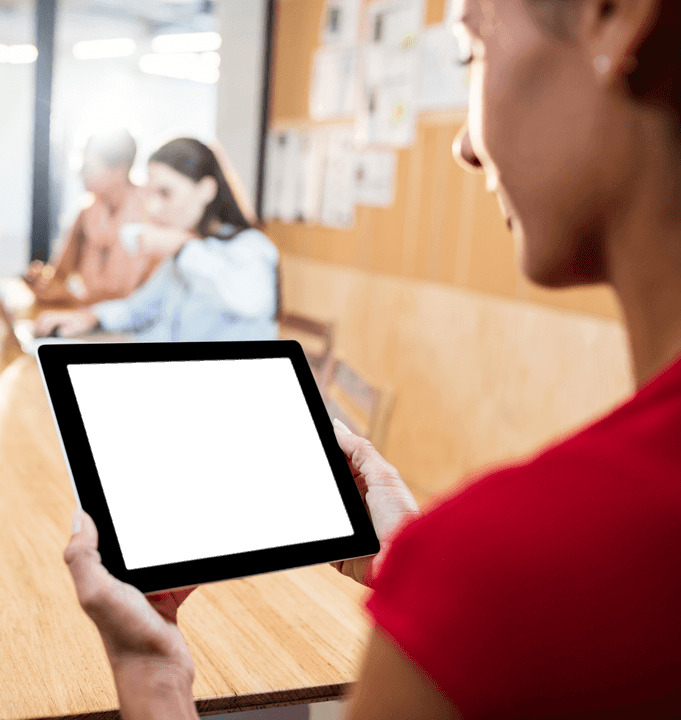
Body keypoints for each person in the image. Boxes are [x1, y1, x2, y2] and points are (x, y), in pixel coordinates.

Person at [63, 0, 681, 717]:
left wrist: (153, 679)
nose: (466, 148)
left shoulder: (509, 574)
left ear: (613, 17)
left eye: (470, 50)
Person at [34, 138, 279, 342]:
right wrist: (90, 318)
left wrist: (180, 247)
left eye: (165, 193)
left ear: (206, 189)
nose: (153, 208)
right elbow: (138, 309)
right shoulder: (185, 253)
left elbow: (250, 300)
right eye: (150, 194)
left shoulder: (250, 247)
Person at [26, 129, 157, 303]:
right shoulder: (86, 212)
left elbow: (149, 295)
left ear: (119, 171)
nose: (81, 174)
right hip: (88, 318)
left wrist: (77, 299)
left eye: (88, 167)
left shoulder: (152, 213)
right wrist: (43, 281)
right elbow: (60, 274)